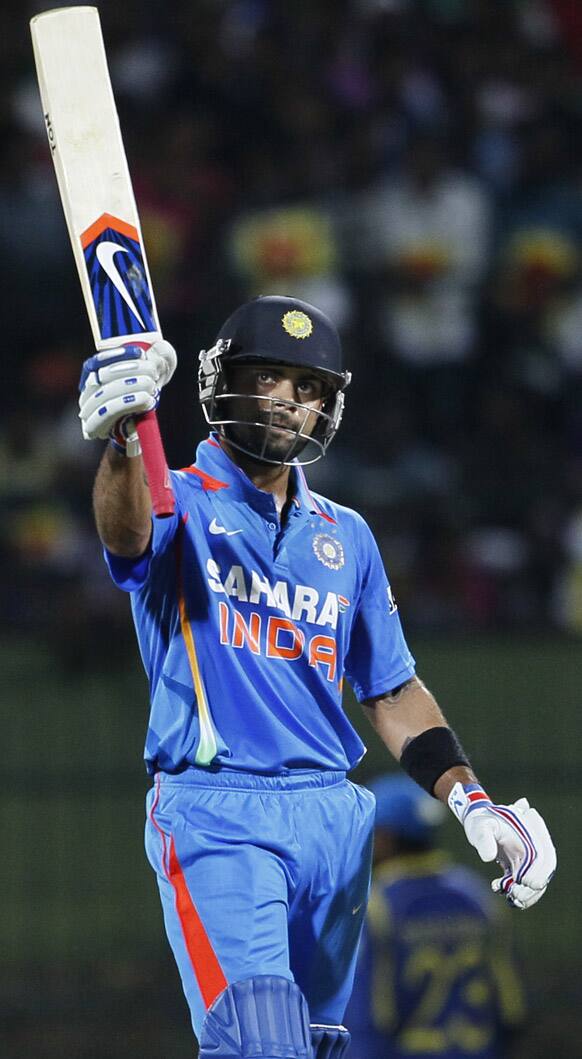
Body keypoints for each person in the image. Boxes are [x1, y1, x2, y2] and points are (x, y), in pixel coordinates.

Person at [78, 295, 556, 1059]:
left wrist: (472, 803)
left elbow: (392, 688)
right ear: (226, 381)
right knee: (260, 1043)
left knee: (324, 1047)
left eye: (309, 389)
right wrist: (125, 441)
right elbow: (128, 538)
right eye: (270, 377)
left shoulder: (348, 536)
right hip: (219, 815)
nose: (290, 402)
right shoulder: (184, 502)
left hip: (333, 817)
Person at [345, 773, 527, 1059]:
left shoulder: (377, 904)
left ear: (383, 837)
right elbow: (511, 1007)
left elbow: (369, 1012)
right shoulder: (477, 897)